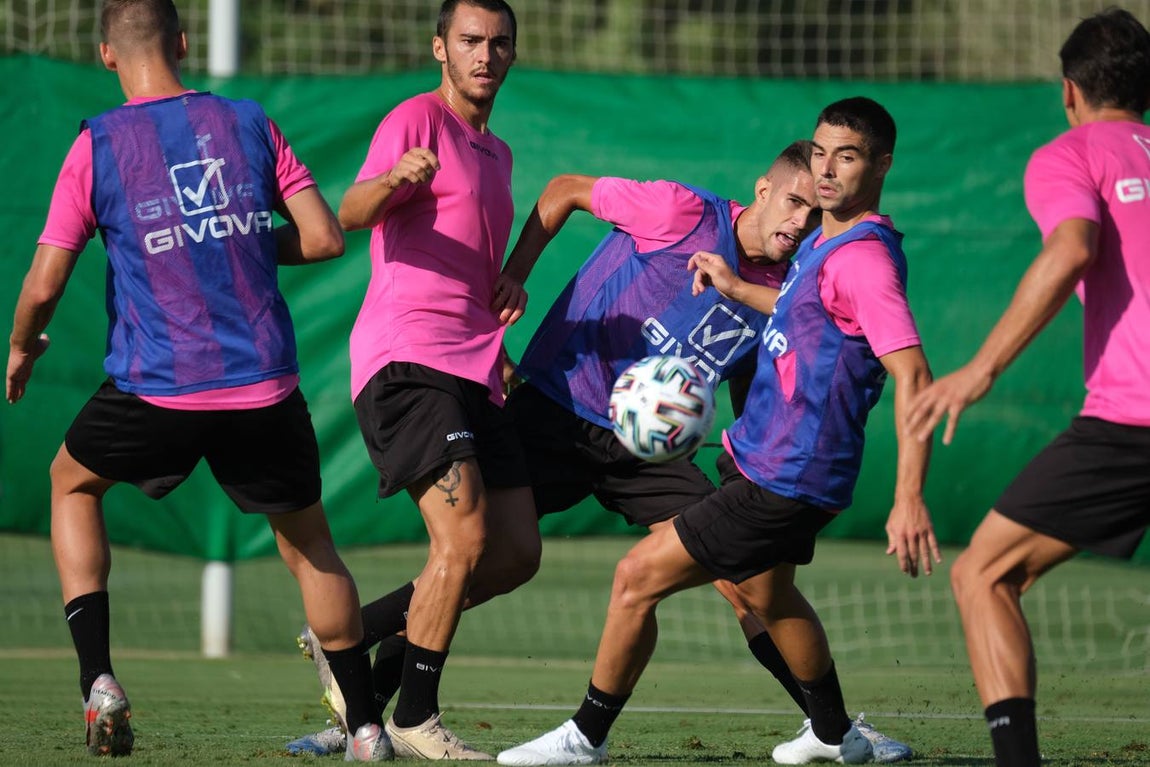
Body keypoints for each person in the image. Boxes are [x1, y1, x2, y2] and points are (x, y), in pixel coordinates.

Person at [495, 96, 939, 767]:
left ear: (880, 165)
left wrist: (909, 495)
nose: (823, 174)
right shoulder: (825, 249)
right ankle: (832, 731)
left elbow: (912, 373)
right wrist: (736, 287)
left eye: (844, 157)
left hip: (784, 472)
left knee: (637, 577)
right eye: (819, 154)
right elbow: (793, 312)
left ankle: (584, 737)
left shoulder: (862, 260)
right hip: (774, 464)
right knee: (765, 590)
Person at [3, 0, 388, 761]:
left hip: (158, 387)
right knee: (313, 547)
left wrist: (21, 345)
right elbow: (324, 236)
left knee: (72, 484)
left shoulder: (97, 143)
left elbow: (45, 283)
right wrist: (236, 243)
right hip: (264, 388)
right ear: (183, 42)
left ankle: (101, 681)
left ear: (107, 56)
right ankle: (369, 727)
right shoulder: (249, 120)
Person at [905, 9, 1150, 767]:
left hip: (1133, 419)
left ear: (1069, 91)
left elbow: (1073, 247)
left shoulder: (1071, 152)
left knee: (985, 570)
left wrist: (980, 369)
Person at [320, 0, 539, 760]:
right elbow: (350, 212)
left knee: (514, 551)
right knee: (465, 531)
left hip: (474, 364)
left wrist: (500, 306)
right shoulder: (416, 117)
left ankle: (353, 637)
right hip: (408, 357)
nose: (486, 54)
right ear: (440, 47)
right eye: (471, 41)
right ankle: (414, 712)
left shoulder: (498, 152)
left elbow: (473, 260)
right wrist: (394, 178)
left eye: (499, 43)